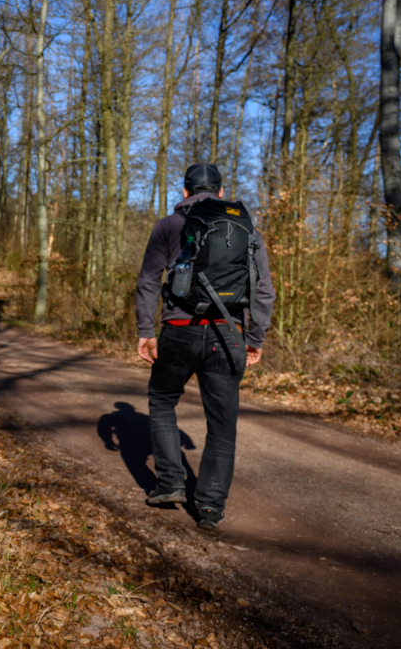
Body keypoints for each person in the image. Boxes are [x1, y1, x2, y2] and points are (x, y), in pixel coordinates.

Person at [134, 163, 275, 531]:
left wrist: (146, 329)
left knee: (163, 400)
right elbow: (263, 291)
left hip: (178, 330)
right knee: (222, 424)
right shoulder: (246, 229)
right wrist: (255, 338)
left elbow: (149, 279)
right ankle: (210, 508)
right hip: (229, 334)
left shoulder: (168, 225)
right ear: (221, 192)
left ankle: (170, 484)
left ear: (184, 192)